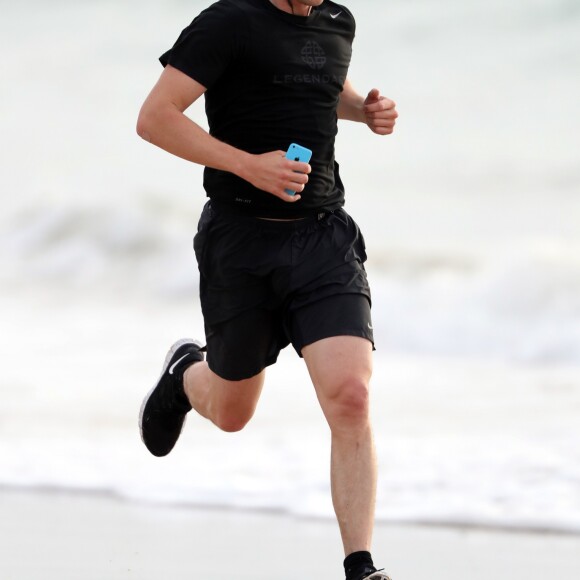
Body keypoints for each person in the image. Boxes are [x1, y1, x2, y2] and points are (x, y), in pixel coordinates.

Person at [136, 1, 398, 579]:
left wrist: (363, 110)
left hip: (323, 237)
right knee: (232, 414)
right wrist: (247, 165)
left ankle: (361, 566)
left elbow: (318, 85)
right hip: (240, 244)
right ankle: (186, 373)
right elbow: (155, 118)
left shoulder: (336, 21)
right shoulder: (229, 22)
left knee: (351, 396)